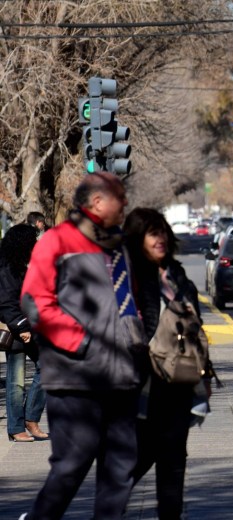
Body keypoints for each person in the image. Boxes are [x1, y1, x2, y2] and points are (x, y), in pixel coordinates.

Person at [21, 172, 147, 520]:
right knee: (70, 468)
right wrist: (83, 343)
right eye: (119, 197)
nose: (124, 204)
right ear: (96, 202)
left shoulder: (120, 245)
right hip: (75, 377)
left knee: (119, 472)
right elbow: (34, 301)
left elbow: (132, 301)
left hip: (121, 376)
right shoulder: (57, 241)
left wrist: (138, 345)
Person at [124, 207, 208, 519]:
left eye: (162, 232)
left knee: (173, 464)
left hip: (178, 382)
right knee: (134, 462)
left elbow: (194, 325)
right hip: (142, 383)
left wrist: (204, 377)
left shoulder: (176, 273)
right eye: (151, 233)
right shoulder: (129, 277)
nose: (160, 239)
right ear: (137, 239)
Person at [2, 224, 45, 442]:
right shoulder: (7, 268)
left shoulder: (21, 266)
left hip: (32, 328)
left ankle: (31, 418)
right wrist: (22, 328)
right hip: (17, 331)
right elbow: (7, 303)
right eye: (32, 242)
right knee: (16, 382)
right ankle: (16, 427)